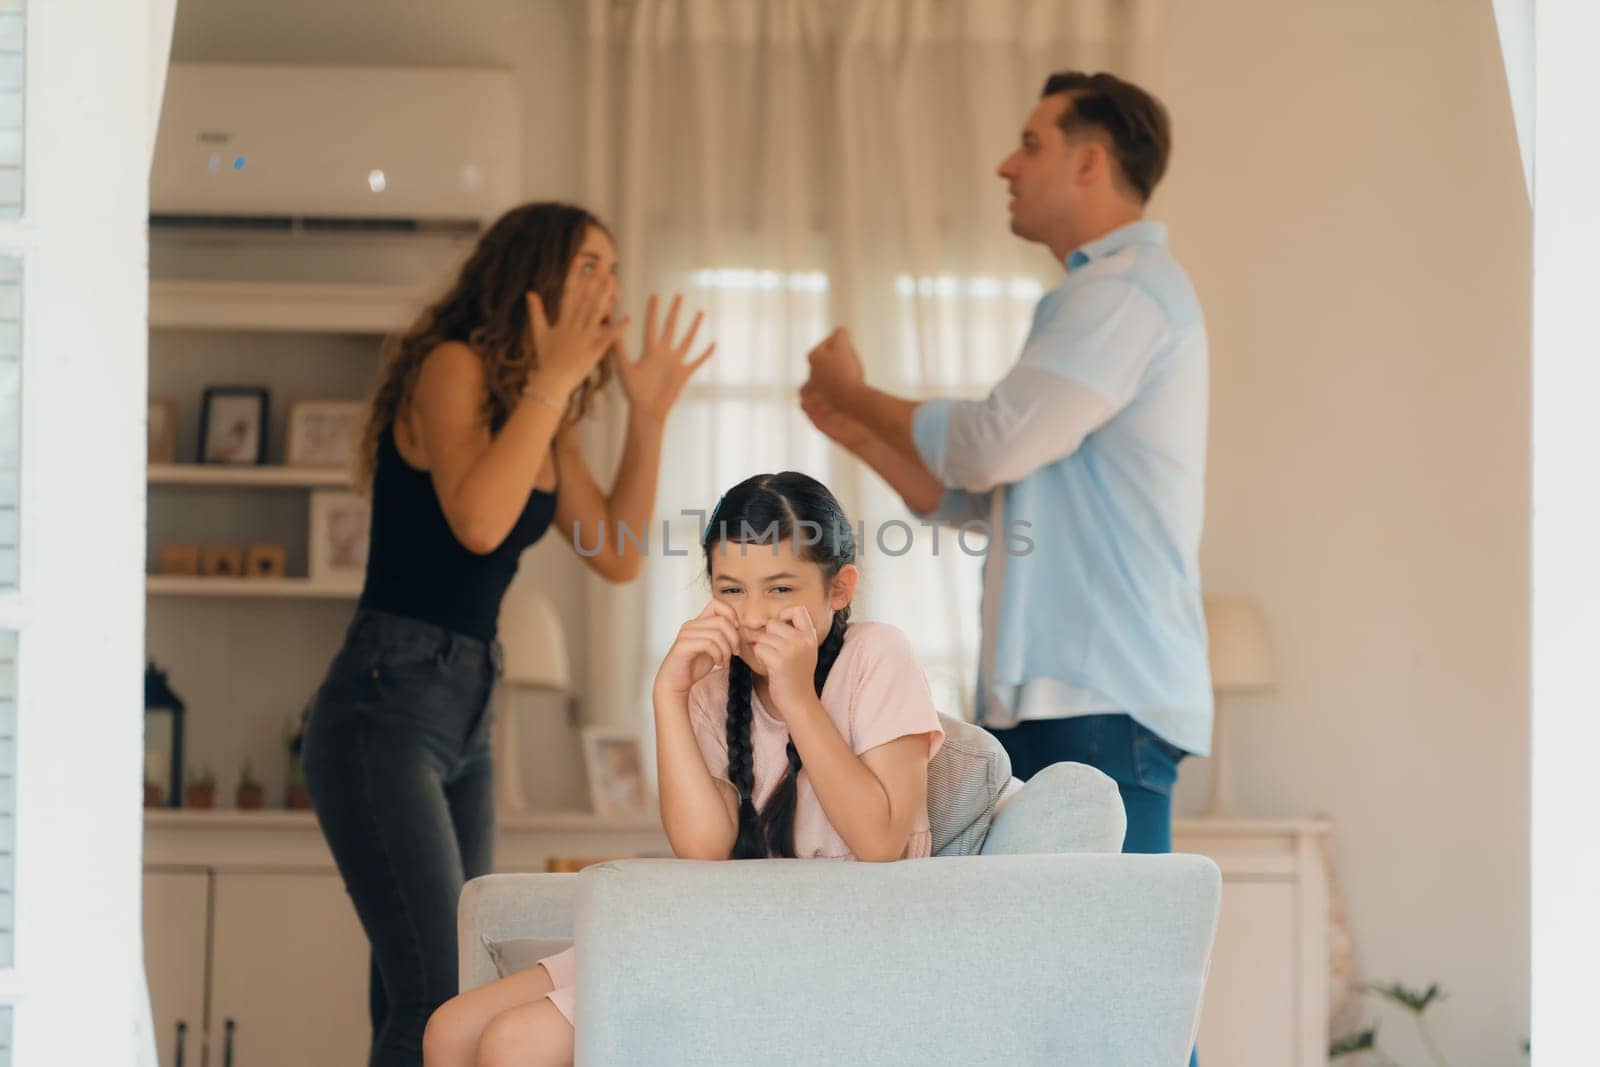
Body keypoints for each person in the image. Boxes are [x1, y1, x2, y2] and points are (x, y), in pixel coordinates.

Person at [799, 70, 1210, 1056]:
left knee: (1121, 996)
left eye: (1028, 143)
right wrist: (850, 424)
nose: (1004, 165)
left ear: (1089, 158)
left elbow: (985, 443)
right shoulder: (1086, 302)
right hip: (1063, 699)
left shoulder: (1128, 296)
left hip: (1105, 695)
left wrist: (863, 388)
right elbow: (974, 496)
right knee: (1052, 996)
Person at [300, 201, 714, 1067]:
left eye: (613, 267)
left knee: (437, 967)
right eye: (588, 266)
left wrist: (647, 415)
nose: (610, 286)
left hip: (467, 708)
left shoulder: (546, 419)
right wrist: (553, 383)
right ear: (533, 278)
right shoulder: (451, 368)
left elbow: (617, 553)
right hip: (386, 701)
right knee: (437, 988)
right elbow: (481, 522)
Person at [421, 472, 946, 1067]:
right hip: (727, 927)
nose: (752, 617)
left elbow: (880, 842)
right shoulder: (718, 682)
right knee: (450, 1029)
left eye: (780, 589)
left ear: (840, 588)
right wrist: (668, 695)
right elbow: (703, 847)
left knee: (515, 1042)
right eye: (731, 590)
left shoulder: (877, 655)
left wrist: (797, 697)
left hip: (837, 942)